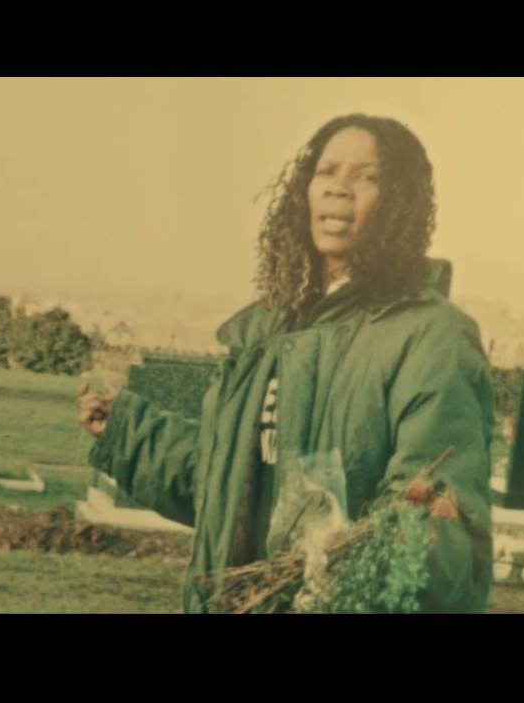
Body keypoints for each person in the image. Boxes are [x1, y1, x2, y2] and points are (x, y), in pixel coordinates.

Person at [76, 114, 495, 613]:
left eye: (367, 177)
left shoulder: (431, 337)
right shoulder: (270, 332)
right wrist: (128, 433)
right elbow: (225, 485)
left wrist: (343, 573)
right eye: (326, 171)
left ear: (401, 203)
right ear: (303, 192)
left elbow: (434, 517)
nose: (339, 188)